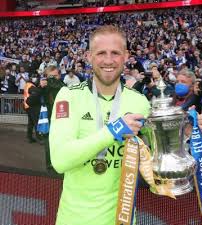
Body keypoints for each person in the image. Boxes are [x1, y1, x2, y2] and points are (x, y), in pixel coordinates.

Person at [49, 25, 150, 225]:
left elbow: (152, 162)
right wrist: (114, 130)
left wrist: (184, 135)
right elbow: (60, 160)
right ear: (89, 56)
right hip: (75, 220)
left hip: (123, 220)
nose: (108, 60)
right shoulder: (69, 96)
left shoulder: (140, 103)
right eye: (101, 53)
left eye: (115, 53)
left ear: (126, 56)